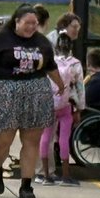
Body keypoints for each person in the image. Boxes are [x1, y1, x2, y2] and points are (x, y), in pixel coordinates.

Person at [0, 4, 66, 198]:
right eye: (27, 23)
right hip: (5, 93)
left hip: (36, 95)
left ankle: (26, 185)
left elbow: (50, 67)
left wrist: (60, 85)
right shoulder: (0, 38)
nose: (31, 27)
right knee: (1, 140)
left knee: (31, 141)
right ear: (16, 22)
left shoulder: (42, 42)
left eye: (34, 23)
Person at [37, 32, 85, 186]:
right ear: (71, 48)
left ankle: (45, 175)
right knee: (64, 138)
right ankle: (65, 175)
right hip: (65, 106)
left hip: (49, 105)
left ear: (56, 47)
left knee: (45, 137)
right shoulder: (75, 64)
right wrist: (79, 108)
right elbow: (80, 88)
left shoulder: (50, 62)